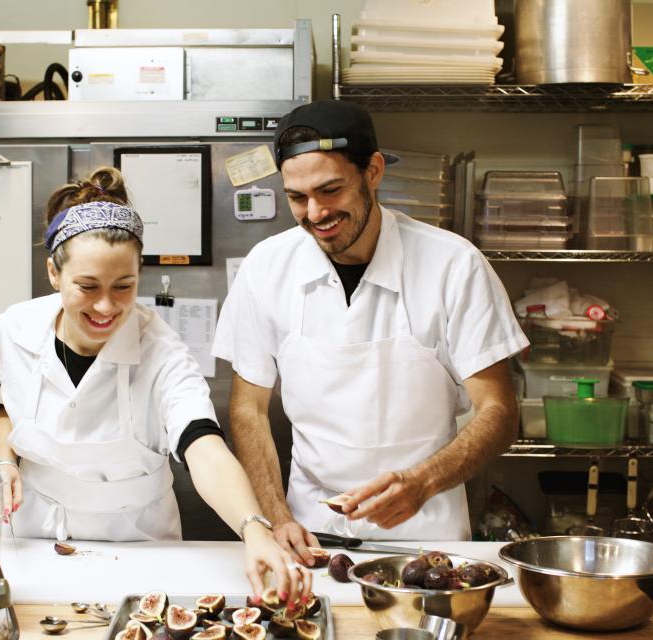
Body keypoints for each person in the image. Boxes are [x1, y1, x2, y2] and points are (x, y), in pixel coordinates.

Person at [212, 100, 528, 563]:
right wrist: (276, 517)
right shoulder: (266, 267)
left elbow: (498, 410)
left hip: (426, 532)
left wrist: (422, 482)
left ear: (373, 172)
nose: (315, 213)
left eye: (330, 190)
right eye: (297, 197)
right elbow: (249, 408)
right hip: (308, 532)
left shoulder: (453, 265)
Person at [0, 167, 311, 599]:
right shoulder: (15, 329)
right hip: (35, 539)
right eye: (87, 286)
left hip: (139, 547)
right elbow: (1, 404)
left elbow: (203, 448)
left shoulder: (163, 352)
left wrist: (254, 528)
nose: (105, 306)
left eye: (124, 286)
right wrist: (3, 458)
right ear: (54, 273)